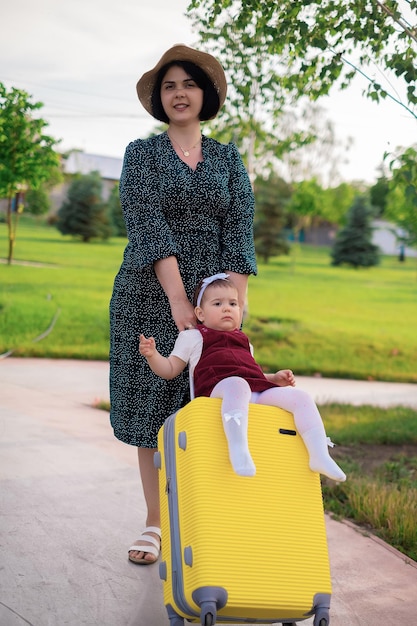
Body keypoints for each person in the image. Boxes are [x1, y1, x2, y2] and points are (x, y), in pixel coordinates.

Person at [109, 45, 257, 564]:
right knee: (153, 410)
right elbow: (148, 225)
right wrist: (177, 298)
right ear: (159, 97)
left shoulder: (227, 159)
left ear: (205, 94)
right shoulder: (141, 155)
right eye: (169, 86)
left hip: (215, 297)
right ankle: (154, 524)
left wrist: (229, 307)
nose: (179, 94)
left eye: (188, 85)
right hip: (150, 294)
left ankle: (202, 521)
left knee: (214, 409)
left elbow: (239, 231)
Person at [139, 274, 346, 483]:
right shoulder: (193, 336)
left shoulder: (245, 341)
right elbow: (170, 369)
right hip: (218, 391)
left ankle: (319, 454)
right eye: (218, 303)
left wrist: (274, 378)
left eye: (233, 303)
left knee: (300, 397)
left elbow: (250, 373)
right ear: (200, 313)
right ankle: (238, 449)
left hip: (252, 391)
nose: (227, 308)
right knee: (237, 384)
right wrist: (152, 355)